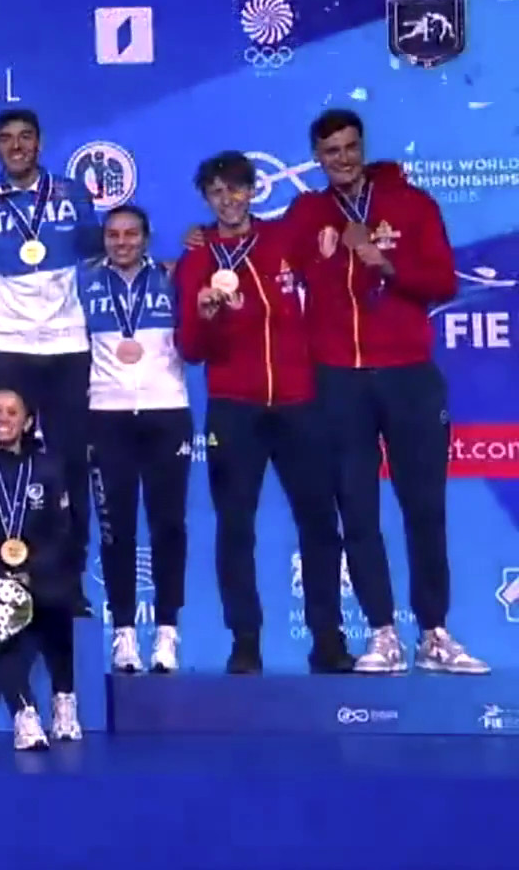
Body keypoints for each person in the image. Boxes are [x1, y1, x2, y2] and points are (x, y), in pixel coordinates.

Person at [285, 109, 486, 675]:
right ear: (317, 158)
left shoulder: (411, 204)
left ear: (362, 147)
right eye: (331, 151)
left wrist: (385, 262)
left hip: (408, 375)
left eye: (350, 147)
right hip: (339, 379)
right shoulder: (307, 214)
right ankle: (381, 633)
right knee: (357, 509)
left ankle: (434, 633)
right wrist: (201, 244)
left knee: (425, 507)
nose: (343, 159)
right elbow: (264, 255)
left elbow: (443, 282)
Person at [173, 152, 353, 674]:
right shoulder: (197, 258)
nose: (227, 200)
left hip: (300, 404)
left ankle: (328, 640)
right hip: (235, 409)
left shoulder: (283, 239)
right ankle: (245, 641)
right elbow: (191, 350)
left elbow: (329, 213)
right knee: (235, 528)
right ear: (206, 199)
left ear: (254, 190)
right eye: (216, 193)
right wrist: (205, 316)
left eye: (236, 189)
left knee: (319, 523)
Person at [0, 110, 102, 610]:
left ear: (40, 143)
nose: (17, 146)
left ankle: (68, 579)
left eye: (25, 137)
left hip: (67, 347)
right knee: (1, 464)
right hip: (7, 346)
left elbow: (100, 260)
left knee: (69, 467)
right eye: (6, 139)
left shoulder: (73, 196)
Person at [78, 205, 189, 674]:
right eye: (113, 234)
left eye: (131, 234)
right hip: (107, 415)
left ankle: (167, 632)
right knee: (115, 529)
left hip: (167, 411)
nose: (122, 242)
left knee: (168, 526)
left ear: (146, 237)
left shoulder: (172, 278)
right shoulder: (84, 282)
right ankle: (123, 633)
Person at [0, 388, 80, 751]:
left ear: (27, 422)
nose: (3, 419)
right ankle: (24, 713)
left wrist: (29, 571)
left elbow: (62, 532)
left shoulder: (49, 468)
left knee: (58, 600)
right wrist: (0, 575)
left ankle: (64, 701)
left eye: (12, 412)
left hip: (39, 573)